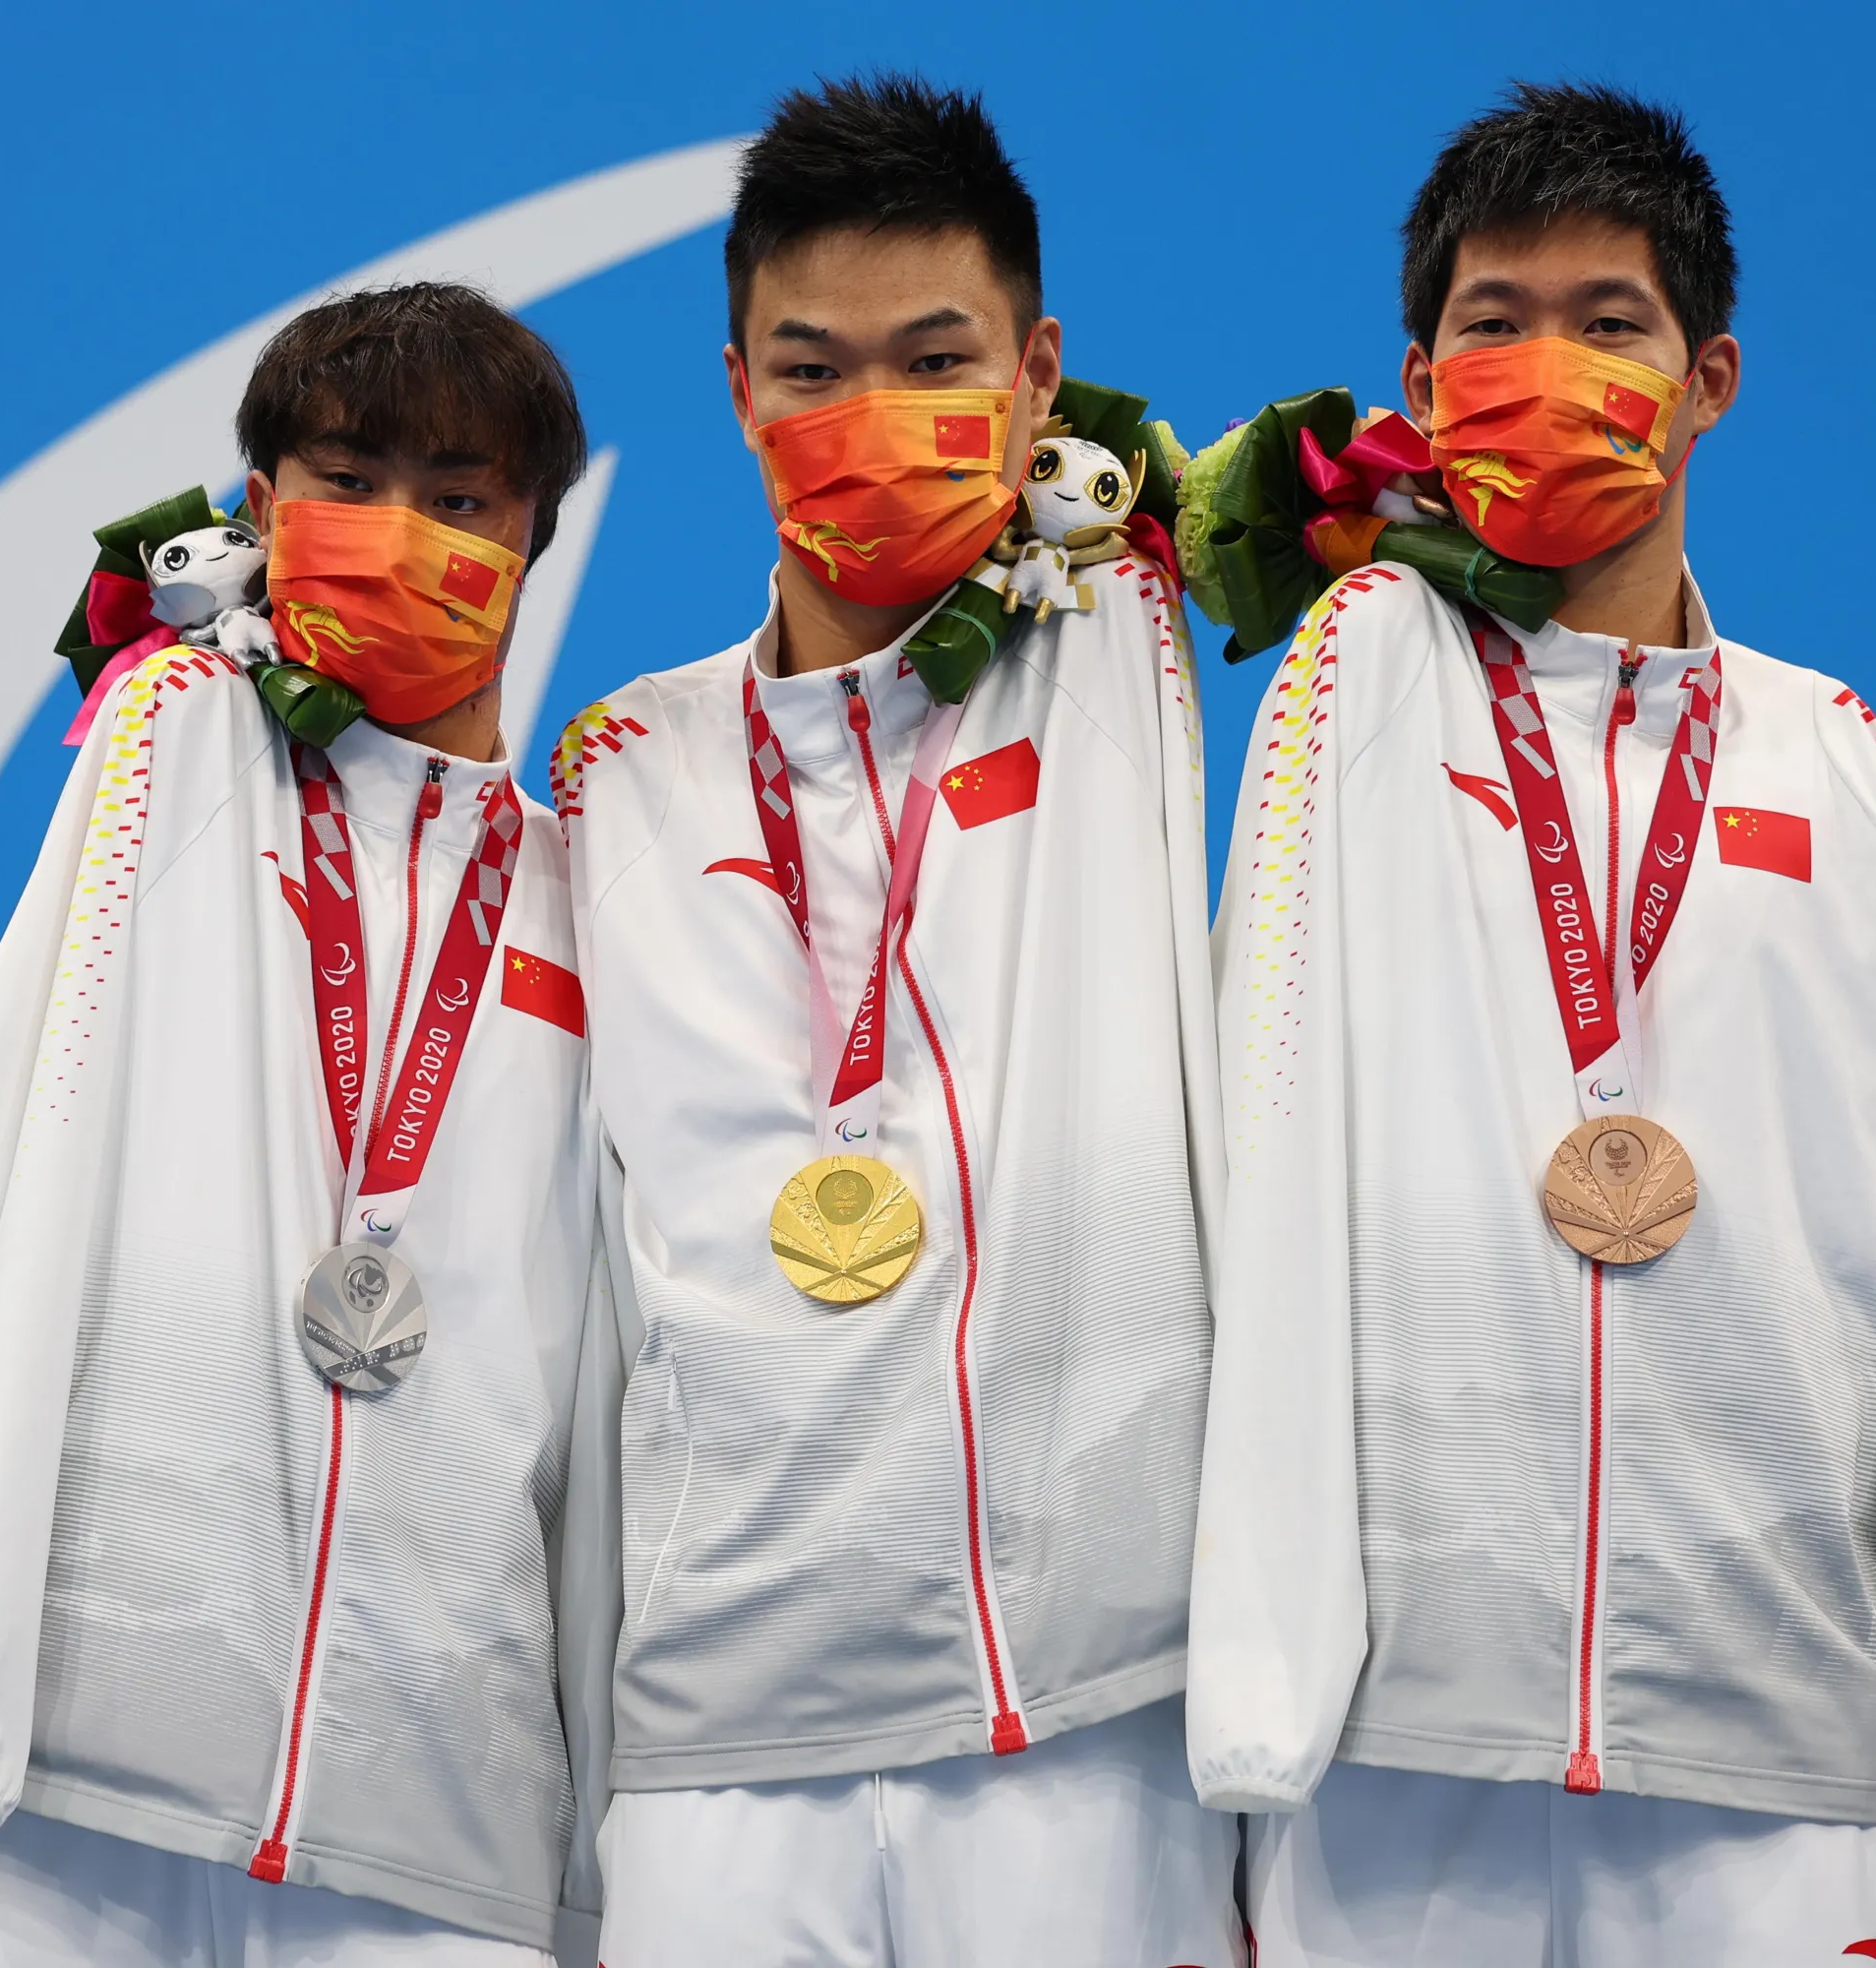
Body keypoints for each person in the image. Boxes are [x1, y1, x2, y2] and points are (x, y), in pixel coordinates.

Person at [1185, 83, 1876, 1964]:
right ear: (1422, 382)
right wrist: (1263, 1695)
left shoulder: (1835, 755)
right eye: (1496, 324)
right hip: (1397, 1737)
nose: (1549, 368)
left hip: (1774, 1722)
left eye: (1609, 323)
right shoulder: (1354, 688)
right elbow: (1254, 1161)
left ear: (1710, 379)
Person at [553, 75, 1238, 1967]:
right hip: (716, 1743)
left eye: (935, 363)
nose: (869, 418)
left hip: (1087, 1724)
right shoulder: (620, 773)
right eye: (810, 370)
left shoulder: (1131, 634)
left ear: (1037, 376)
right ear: (735, 389)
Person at [0, 282, 605, 1966]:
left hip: (436, 1789)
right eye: (347, 482)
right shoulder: (175, 752)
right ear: (262, 510)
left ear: (533, 537)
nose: (399, 532)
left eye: (459, 498)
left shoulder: (588, 896)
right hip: (67, 1745)